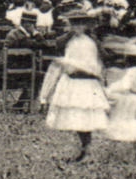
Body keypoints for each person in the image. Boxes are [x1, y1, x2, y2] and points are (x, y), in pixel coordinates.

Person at [39, 9, 108, 161]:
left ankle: (87, 149)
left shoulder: (90, 43)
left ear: (86, 25)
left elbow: (91, 66)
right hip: (72, 81)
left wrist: (68, 63)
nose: (77, 27)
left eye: (80, 24)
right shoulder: (68, 41)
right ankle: (81, 150)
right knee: (75, 118)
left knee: (85, 117)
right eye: (74, 24)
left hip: (85, 82)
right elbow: (61, 51)